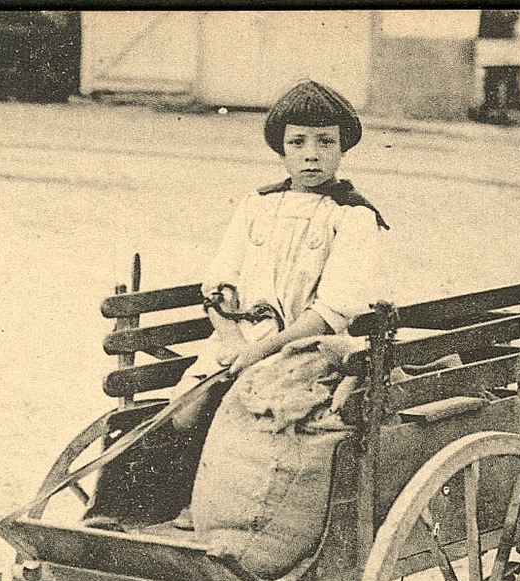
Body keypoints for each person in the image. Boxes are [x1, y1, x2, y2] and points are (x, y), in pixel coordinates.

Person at [85, 79, 391, 531]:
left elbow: (332, 312)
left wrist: (258, 353)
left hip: (303, 351)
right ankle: (137, 511)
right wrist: (230, 339)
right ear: (281, 149)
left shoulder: (354, 218)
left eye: (325, 141)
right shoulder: (257, 206)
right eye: (298, 142)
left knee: (240, 415)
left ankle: (208, 511)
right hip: (235, 340)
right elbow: (219, 284)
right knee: (184, 411)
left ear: (343, 147)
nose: (311, 154)